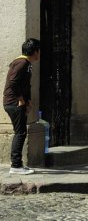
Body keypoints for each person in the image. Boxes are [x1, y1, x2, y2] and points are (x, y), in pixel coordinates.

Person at [3, 38, 40, 175]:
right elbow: (13, 83)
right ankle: (16, 165)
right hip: (14, 103)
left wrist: (28, 100)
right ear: (35, 51)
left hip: (16, 102)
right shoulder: (21, 63)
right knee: (20, 133)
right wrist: (20, 99)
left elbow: (25, 84)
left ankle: (18, 164)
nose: (39, 54)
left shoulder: (26, 63)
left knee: (21, 132)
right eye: (38, 51)